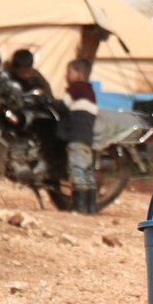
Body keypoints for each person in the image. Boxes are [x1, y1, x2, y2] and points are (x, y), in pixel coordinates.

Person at [59, 59, 98, 214]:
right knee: (88, 172)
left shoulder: (76, 88)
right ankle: (91, 206)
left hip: (76, 138)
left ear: (79, 74)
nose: (66, 76)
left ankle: (79, 206)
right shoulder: (90, 91)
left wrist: (47, 101)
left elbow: (62, 105)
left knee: (77, 171)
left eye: (69, 72)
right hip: (88, 139)